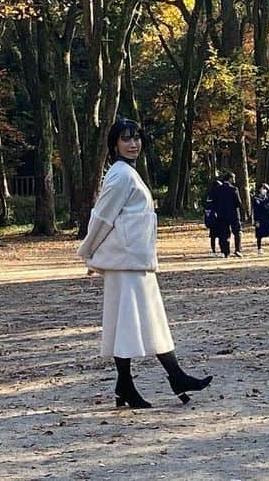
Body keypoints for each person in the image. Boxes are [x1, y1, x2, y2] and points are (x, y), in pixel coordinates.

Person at [77, 118, 212, 409]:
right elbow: (102, 216)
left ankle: (140, 382)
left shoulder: (127, 173)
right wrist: (89, 253)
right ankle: (167, 378)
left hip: (135, 261)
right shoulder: (121, 175)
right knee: (132, 322)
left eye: (136, 138)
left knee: (142, 321)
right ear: (114, 144)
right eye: (126, 139)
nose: (133, 143)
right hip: (127, 262)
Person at [210, 171, 244, 257]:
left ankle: (225, 252)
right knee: (237, 232)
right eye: (233, 178)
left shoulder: (217, 189)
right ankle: (237, 250)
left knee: (224, 234)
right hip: (233, 214)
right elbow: (238, 203)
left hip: (221, 215)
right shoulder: (234, 189)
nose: (234, 180)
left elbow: (214, 202)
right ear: (230, 178)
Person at [252, 183, 269, 255]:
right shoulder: (255, 198)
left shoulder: (267, 197)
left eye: (264, 189)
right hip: (260, 218)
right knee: (259, 234)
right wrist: (256, 220)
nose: (264, 190)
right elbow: (255, 210)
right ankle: (259, 248)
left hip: (268, 217)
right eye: (262, 188)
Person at [203, 178, 223, 256]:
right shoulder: (217, 195)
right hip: (217, 217)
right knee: (221, 235)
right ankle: (221, 250)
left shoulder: (208, 195)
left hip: (210, 218)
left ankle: (213, 250)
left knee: (213, 236)